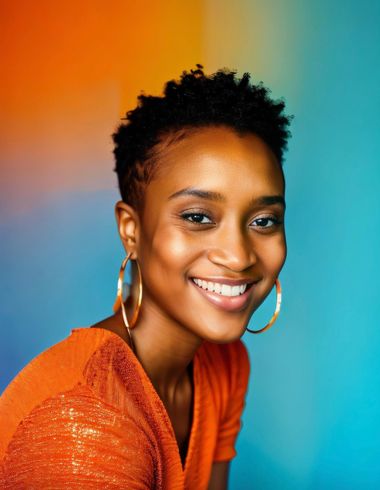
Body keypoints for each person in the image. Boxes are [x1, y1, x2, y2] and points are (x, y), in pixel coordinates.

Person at [0, 65, 292, 489]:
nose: (238, 255)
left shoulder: (225, 365)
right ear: (131, 230)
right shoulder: (83, 426)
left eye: (264, 221)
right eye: (197, 217)